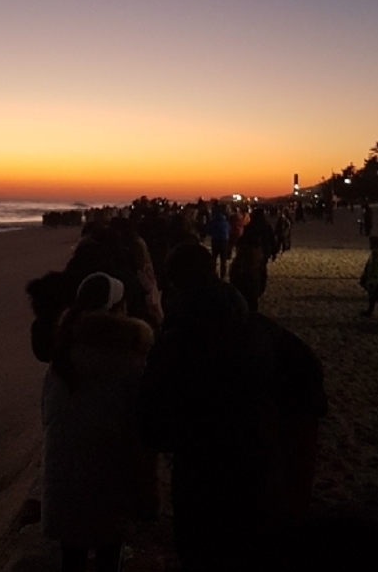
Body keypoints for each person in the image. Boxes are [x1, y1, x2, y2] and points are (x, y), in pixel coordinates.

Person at [137, 243, 327, 572]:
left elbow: (153, 428)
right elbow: (309, 377)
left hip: (201, 483)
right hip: (259, 470)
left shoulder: (174, 345)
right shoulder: (259, 328)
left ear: (175, 285)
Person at [41, 273, 156, 572]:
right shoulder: (130, 360)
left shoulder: (62, 358)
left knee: (72, 558)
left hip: (62, 480)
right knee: (109, 553)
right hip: (109, 479)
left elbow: (47, 417)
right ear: (118, 308)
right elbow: (140, 428)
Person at [205, 202, 230, 279]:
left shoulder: (213, 221)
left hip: (215, 239)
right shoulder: (225, 221)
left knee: (214, 258)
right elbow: (229, 229)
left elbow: (208, 230)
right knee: (223, 259)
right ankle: (223, 275)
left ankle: (213, 273)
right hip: (224, 240)